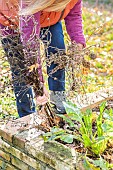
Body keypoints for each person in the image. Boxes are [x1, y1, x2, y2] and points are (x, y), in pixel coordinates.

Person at [0, 0, 86, 117]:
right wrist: (38, 83)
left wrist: (78, 42)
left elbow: (74, 14)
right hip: (11, 18)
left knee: (58, 50)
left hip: (48, 15)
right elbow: (30, 46)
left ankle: (58, 96)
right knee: (20, 68)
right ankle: (27, 114)